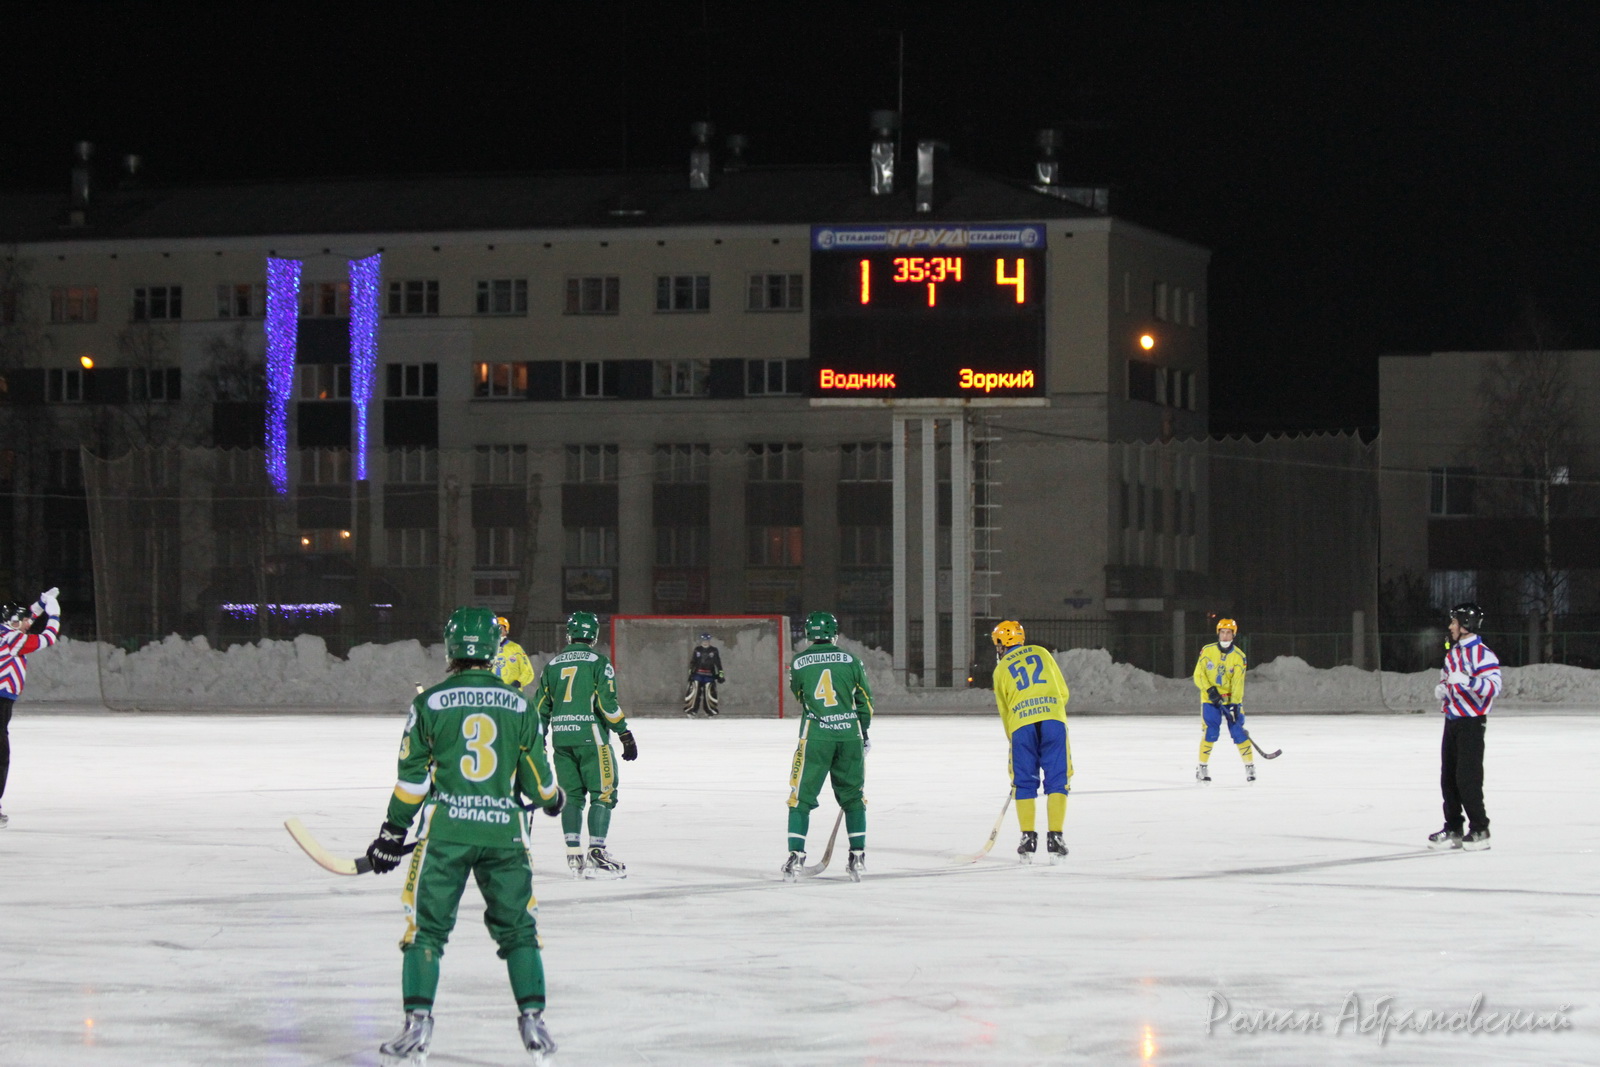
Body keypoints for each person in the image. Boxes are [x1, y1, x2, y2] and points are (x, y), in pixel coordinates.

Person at [363, 605, 566, 1067]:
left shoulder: (429, 703)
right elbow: (538, 783)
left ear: (450, 649)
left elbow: (413, 782)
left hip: (446, 835)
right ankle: (534, 1023)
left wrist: (392, 833)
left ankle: (417, 1028)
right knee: (519, 931)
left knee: (425, 931)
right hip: (505, 835)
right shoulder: (520, 705)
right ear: (494, 649)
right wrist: (553, 800)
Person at [534, 610, 637, 879]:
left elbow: (541, 708)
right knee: (603, 794)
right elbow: (606, 703)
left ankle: (573, 853)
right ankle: (597, 852)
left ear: (570, 634)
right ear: (594, 635)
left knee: (572, 797)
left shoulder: (552, 665)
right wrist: (624, 733)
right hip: (592, 738)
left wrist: (537, 739)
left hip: (561, 738)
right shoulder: (598, 662)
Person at [783, 611, 873, 882]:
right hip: (849, 737)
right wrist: (863, 732)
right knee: (854, 798)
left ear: (808, 634)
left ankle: (795, 857)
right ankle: (857, 856)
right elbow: (865, 702)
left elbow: (800, 695)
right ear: (834, 633)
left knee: (800, 798)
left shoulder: (798, 662)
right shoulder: (852, 660)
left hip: (816, 738)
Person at [989, 620, 1072, 863]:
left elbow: (1005, 712)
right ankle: (1055, 838)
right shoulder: (1042, 653)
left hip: (1021, 726)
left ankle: (1028, 839)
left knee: (1024, 782)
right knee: (1058, 779)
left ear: (1002, 643)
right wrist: (1049, 710)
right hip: (1053, 720)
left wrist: (1015, 737)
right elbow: (1063, 693)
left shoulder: (1000, 670)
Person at [1428, 602, 1500, 851]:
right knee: (1448, 777)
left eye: (1454, 622)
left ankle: (1480, 829)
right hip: (1452, 721)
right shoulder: (1453, 653)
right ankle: (1454, 827)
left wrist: (1469, 681)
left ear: (1465, 625)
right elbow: (1448, 679)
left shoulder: (1483, 654)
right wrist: (1443, 689)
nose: (1450, 627)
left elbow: (1493, 687)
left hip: (1471, 723)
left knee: (1467, 778)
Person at [0, 587, 61, 829]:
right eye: (24, 620)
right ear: (14, 621)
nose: (28, 623)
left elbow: (26, 620)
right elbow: (47, 638)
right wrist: (54, 614)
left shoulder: (6, 631)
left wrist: (41, 603)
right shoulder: (13, 639)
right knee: (1, 757)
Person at [1193, 617, 1253, 783]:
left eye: (1228, 633)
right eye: (1222, 632)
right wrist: (1210, 690)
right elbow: (1199, 675)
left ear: (1233, 635)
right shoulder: (1207, 651)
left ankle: (1249, 766)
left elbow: (1238, 683)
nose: (1225, 636)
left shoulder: (1239, 657)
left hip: (1230, 701)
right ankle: (1202, 767)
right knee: (1211, 732)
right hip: (1210, 700)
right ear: (1218, 633)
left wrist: (1235, 704)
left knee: (1238, 732)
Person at [683, 631, 725, 717]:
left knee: (709, 694)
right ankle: (692, 710)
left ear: (709, 641)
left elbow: (718, 664)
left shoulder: (714, 650)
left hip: (709, 676)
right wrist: (691, 673)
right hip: (697, 675)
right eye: (703, 641)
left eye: (707, 641)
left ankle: (710, 710)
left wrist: (721, 675)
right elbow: (692, 662)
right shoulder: (697, 650)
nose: (705, 642)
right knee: (694, 692)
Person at [492, 615, 535, 690]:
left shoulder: (515, 648)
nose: (498, 631)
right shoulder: (488, 648)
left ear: (506, 630)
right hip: (493, 692)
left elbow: (528, 672)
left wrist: (518, 683)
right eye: (495, 628)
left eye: (500, 628)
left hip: (512, 693)